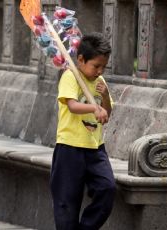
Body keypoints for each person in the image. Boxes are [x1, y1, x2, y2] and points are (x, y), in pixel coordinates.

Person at [50, 32, 116, 230]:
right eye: (96, 66)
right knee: (66, 202)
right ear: (80, 59)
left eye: (103, 67)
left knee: (107, 187)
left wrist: (104, 99)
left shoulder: (100, 82)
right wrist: (93, 108)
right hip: (70, 148)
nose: (99, 71)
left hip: (95, 147)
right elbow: (72, 105)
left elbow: (107, 112)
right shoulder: (70, 76)